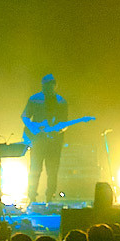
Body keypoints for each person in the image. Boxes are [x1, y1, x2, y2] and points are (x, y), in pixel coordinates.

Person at [22, 74, 71, 204]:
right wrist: (34, 130)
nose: (48, 87)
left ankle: (49, 196)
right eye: (46, 84)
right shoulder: (35, 99)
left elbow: (64, 123)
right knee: (35, 169)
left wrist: (57, 130)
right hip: (39, 140)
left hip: (53, 142)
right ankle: (32, 197)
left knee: (51, 170)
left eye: (50, 85)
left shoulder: (60, 101)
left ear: (55, 86)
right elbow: (25, 117)